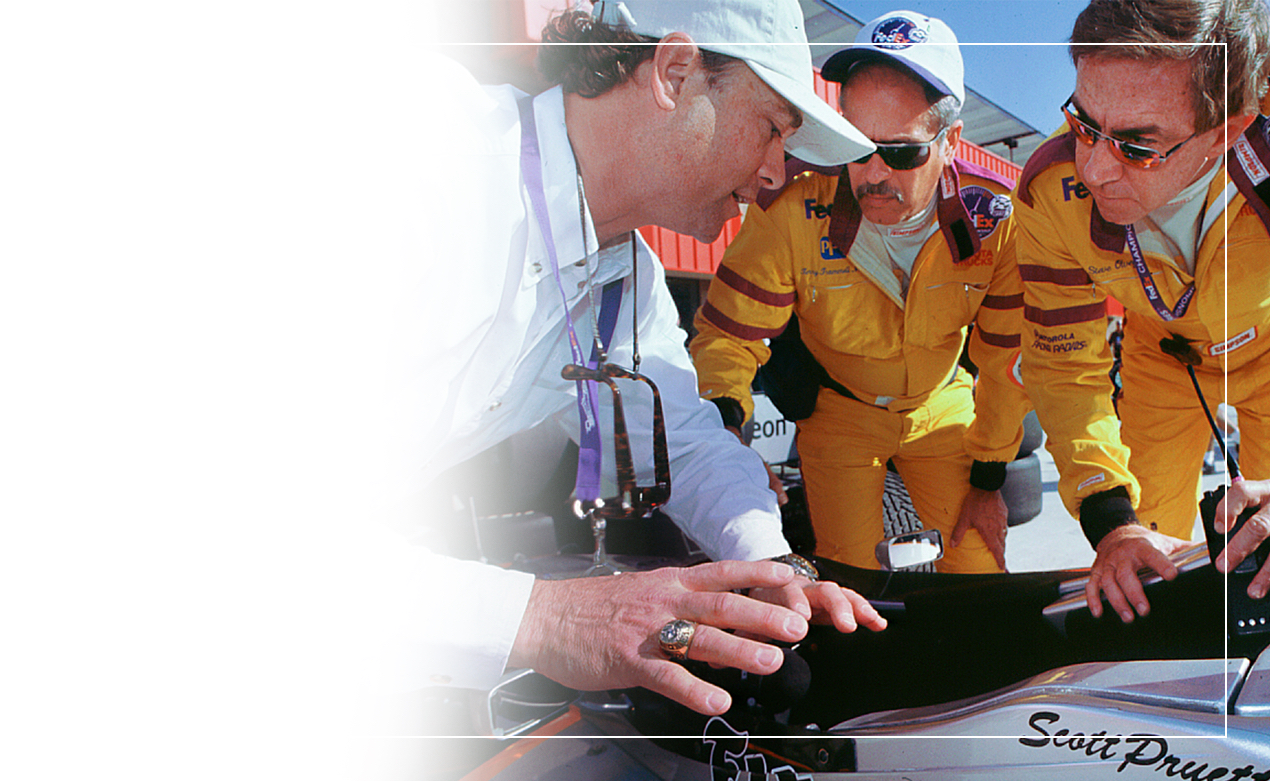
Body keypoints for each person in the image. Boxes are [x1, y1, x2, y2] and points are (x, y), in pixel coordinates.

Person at [411, 0, 887, 719]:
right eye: (771, 131)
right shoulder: (426, 159)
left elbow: (684, 441)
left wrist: (773, 565)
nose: (774, 174)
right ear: (673, 70)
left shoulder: (623, 274)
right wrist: (542, 618)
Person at [688, 10, 1029, 573]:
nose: (872, 174)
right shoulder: (790, 210)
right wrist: (728, 442)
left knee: (977, 569)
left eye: (900, 153)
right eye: (854, 146)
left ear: (951, 142)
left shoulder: (996, 222)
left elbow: (1005, 357)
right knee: (849, 578)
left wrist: (990, 476)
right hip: (840, 414)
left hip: (942, 406)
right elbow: (728, 337)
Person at [1014, 0, 1270, 622]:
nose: (1095, 168)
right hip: (1163, 360)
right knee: (1145, 575)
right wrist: (1111, 523)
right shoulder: (1049, 190)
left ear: (1228, 130)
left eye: (1137, 145)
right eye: (1082, 123)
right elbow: (1065, 366)